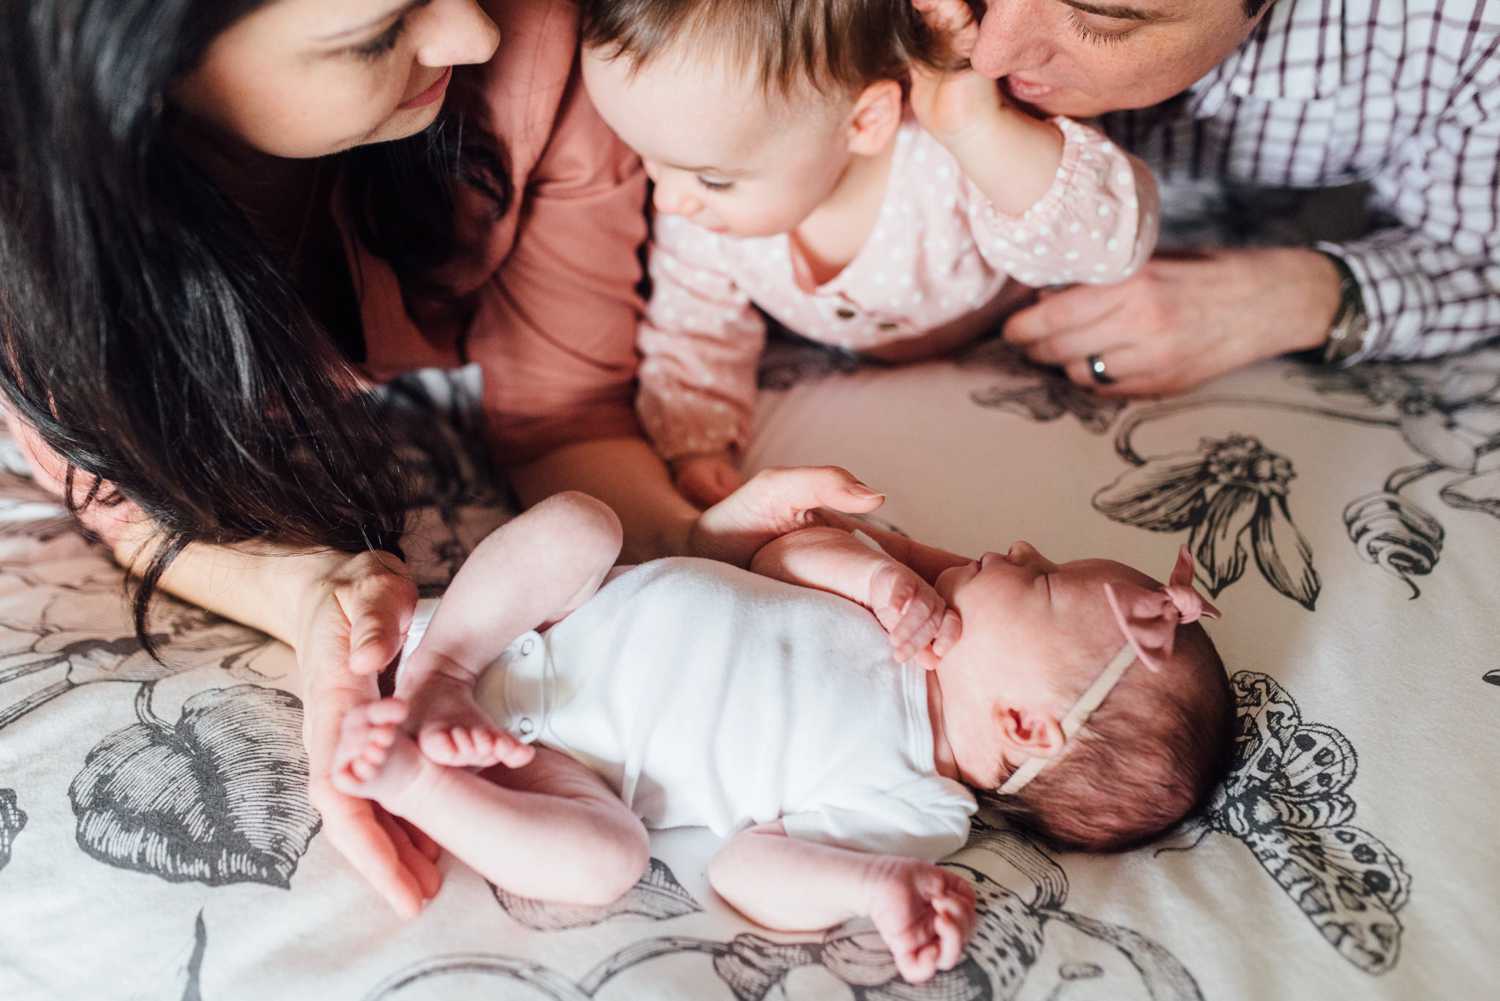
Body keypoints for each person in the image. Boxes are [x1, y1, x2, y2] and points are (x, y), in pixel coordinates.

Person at [0, 0, 900, 918]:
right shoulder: (49, 244)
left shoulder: (535, 43)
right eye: (375, 34)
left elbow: (562, 409)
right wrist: (310, 600)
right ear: (135, 80)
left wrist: (690, 538)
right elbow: (128, 494)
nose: (472, 35)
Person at [332, 492, 1235, 983]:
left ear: (1024, 723)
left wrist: (875, 883)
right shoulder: (909, 611)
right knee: (582, 522)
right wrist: (870, 579)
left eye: (1038, 583)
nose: (1025, 545)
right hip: (549, 615)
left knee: (606, 859)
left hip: (558, 768)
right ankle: (437, 672)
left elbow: (743, 867)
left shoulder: (923, 807)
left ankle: (416, 777)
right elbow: (772, 560)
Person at [578, 0, 1160, 507]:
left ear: (865, 121)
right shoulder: (707, 218)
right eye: (646, 157)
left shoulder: (941, 160)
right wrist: (697, 443)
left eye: (713, 178)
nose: (669, 199)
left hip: (1012, 336)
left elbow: (1105, 250)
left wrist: (979, 129)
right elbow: (696, 324)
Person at [950, 0, 1500, 393]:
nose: (990, 57)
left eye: (1102, 15)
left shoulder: (1468, 27)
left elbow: (1483, 256)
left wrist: (1307, 297)